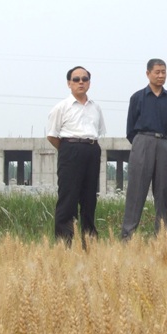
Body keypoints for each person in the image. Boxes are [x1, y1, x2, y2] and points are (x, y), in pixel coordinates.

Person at [47, 66, 106, 249]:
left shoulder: (96, 107)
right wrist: (69, 150)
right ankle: (65, 245)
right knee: (68, 199)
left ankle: (89, 244)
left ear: (89, 82)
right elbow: (52, 135)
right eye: (76, 79)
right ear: (69, 83)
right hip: (70, 150)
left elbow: (99, 131)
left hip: (92, 149)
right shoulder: (61, 107)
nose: (81, 82)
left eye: (84, 79)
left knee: (89, 199)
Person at [121, 59, 167, 240]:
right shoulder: (137, 97)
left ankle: (161, 236)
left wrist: (162, 142)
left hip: (164, 143)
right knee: (136, 191)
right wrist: (141, 143)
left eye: (163, 72)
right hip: (142, 142)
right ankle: (128, 236)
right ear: (148, 73)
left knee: (162, 192)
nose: (161, 75)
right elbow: (130, 129)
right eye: (157, 72)